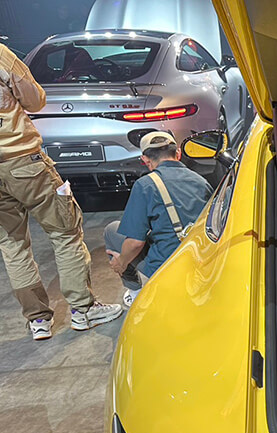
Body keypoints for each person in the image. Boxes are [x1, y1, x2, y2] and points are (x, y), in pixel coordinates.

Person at [0, 42, 122, 340]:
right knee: (65, 232)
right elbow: (35, 101)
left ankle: (38, 320)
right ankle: (83, 310)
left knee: (12, 244)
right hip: (22, 161)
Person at [105, 132, 212, 306]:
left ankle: (135, 292)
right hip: (201, 260)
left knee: (112, 230)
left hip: (167, 265)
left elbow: (135, 243)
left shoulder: (145, 185)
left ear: (145, 160)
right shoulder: (201, 181)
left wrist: (121, 263)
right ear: (178, 154)